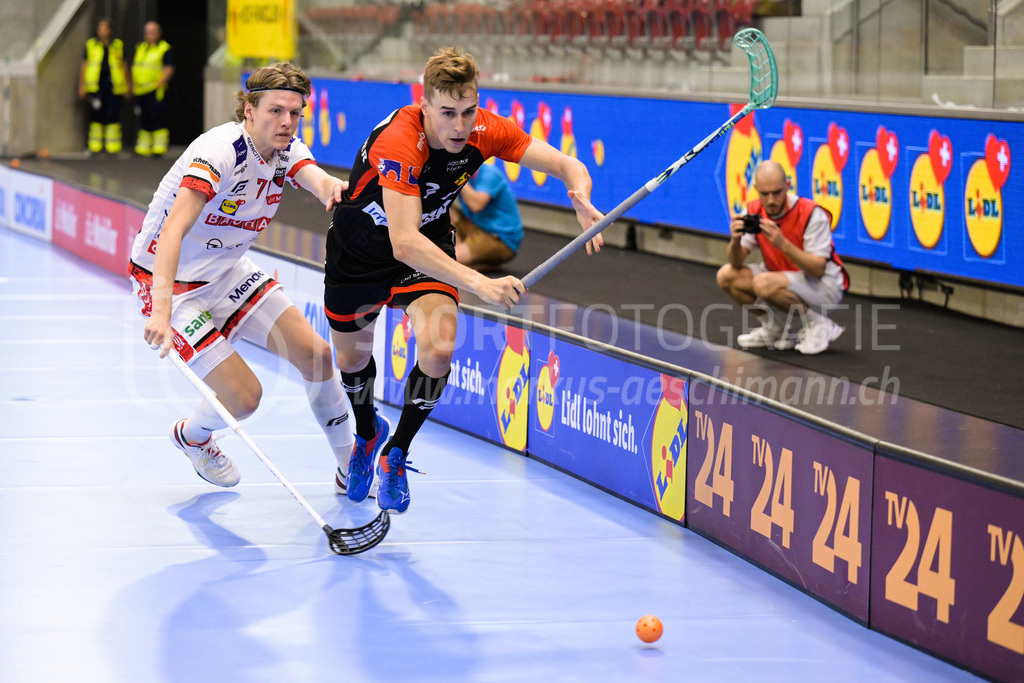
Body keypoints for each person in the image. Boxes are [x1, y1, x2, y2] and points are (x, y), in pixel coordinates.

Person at [324, 47, 604, 514]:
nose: (460, 125)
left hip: (426, 245)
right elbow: (403, 241)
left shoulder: (484, 130)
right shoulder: (398, 140)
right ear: (425, 105)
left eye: (468, 111)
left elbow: (564, 164)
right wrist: (480, 283)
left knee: (438, 347)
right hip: (362, 251)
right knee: (351, 361)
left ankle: (397, 453)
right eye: (448, 113)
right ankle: (368, 432)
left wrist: (580, 194)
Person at [129, 62, 353, 488]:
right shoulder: (218, 153)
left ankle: (350, 469)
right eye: (275, 110)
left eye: (295, 112)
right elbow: (173, 230)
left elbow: (319, 181)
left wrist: (337, 191)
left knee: (318, 356)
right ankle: (193, 437)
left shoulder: (286, 149)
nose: (286, 121)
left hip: (228, 272)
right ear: (248, 109)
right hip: (172, 284)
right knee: (246, 399)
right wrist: (159, 311)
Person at [716, 160, 849, 355]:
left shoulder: (811, 213)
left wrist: (783, 244)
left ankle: (820, 325)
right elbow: (736, 263)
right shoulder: (754, 211)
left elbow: (818, 269)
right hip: (782, 278)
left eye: (777, 193)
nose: (771, 200)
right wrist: (735, 241)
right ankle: (776, 330)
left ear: (787, 186)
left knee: (763, 282)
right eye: (764, 194)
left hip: (824, 286)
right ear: (756, 189)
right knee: (726, 275)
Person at [451, 162, 523, 270]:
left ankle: (460, 260)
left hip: (499, 239)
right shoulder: (466, 175)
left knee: (445, 261)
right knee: (446, 211)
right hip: (475, 227)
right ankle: (462, 258)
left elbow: (476, 205)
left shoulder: (489, 173)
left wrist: (459, 177)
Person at [78, 18, 130, 154]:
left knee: (113, 114)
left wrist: (127, 84)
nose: (102, 31)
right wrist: (82, 84)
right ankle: (95, 146)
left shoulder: (118, 45)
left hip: (113, 86)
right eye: (100, 28)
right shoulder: (91, 45)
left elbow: (123, 65)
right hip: (96, 86)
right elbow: (84, 65)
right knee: (96, 115)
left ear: (110, 30)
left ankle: (113, 146)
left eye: (105, 28)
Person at [131, 21, 175, 157]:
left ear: (158, 33)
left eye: (152, 32)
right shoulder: (140, 47)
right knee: (143, 119)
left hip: (155, 90)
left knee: (157, 117)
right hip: (140, 90)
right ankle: (143, 147)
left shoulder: (164, 48)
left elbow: (169, 68)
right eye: (147, 32)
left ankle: (158, 147)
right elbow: (135, 66)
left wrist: (158, 84)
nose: (149, 35)